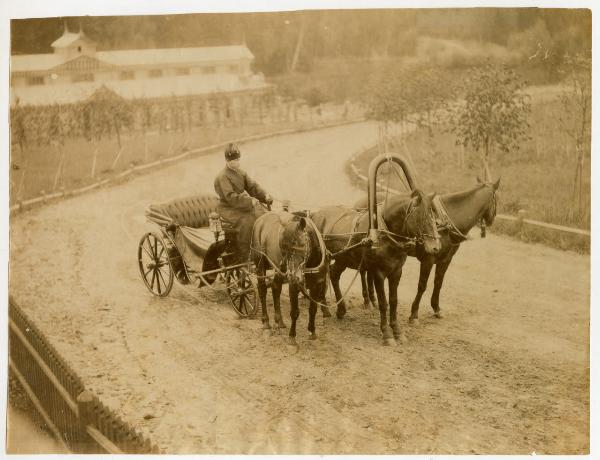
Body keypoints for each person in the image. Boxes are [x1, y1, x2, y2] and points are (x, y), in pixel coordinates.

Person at [214, 143, 273, 259]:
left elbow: (253, 187)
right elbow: (230, 197)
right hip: (228, 208)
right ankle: (245, 253)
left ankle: (263, 247)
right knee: (247, 221)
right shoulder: (223, 176)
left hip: (242, 205)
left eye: (237, 159)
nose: (235, 162)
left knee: (264, 215)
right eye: (232, 161)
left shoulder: (241, 173)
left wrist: (265, 196)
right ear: (226, 160)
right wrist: (249, 201)